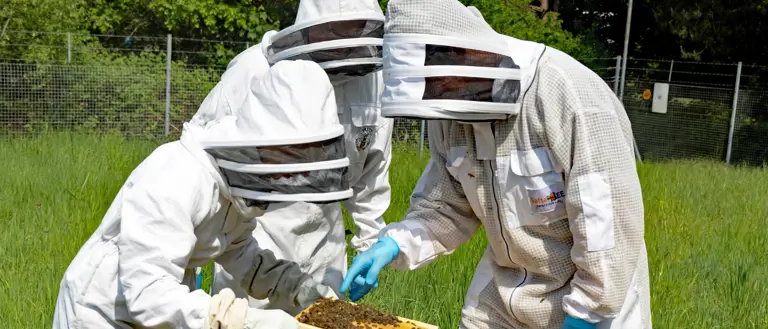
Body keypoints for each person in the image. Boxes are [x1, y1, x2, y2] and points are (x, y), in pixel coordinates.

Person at [340, 1, 653, 329]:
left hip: (593, 304)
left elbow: (608, 233)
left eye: (439, 86)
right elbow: (445, 206)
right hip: (504, 296)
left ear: (461, 53)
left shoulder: (569, 96)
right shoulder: (448, 105)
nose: (437, 96)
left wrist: (587, 314)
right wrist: (394, 243)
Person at [52, 60, 348, 329]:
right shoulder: (176, 177)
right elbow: (147, 292)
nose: (289, 175)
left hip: (162, 301)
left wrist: (295, 286)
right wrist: (242, 320)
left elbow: (241, 254)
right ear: (262, 142)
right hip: (100, 312)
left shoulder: (233, 186)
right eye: (288, 158)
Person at [210, 0, 394, 316]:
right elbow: (206, 150)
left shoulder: (374, 81)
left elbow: (372, 171)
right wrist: (206, 234)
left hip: (327, 245)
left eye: (357, 30)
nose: (347, 42)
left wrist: (371, 243)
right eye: (338, 31)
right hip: (256, 239)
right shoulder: (253, 68)